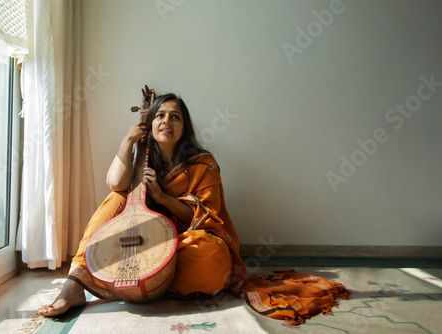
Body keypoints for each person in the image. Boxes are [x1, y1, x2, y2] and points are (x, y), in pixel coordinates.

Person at [39, 93, 348, 325]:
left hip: (184, 245)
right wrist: (126, 144)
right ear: (150, 123)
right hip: (143, 244)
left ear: (184, 126)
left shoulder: (203, 163)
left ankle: (142, 282)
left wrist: (163, 198)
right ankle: (75, 284)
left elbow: (207, 217)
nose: (166, 121)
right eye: (159, 115)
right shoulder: (142, 160)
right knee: (115, 199)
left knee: (212, 259)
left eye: (175, 117)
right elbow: (113, 183)